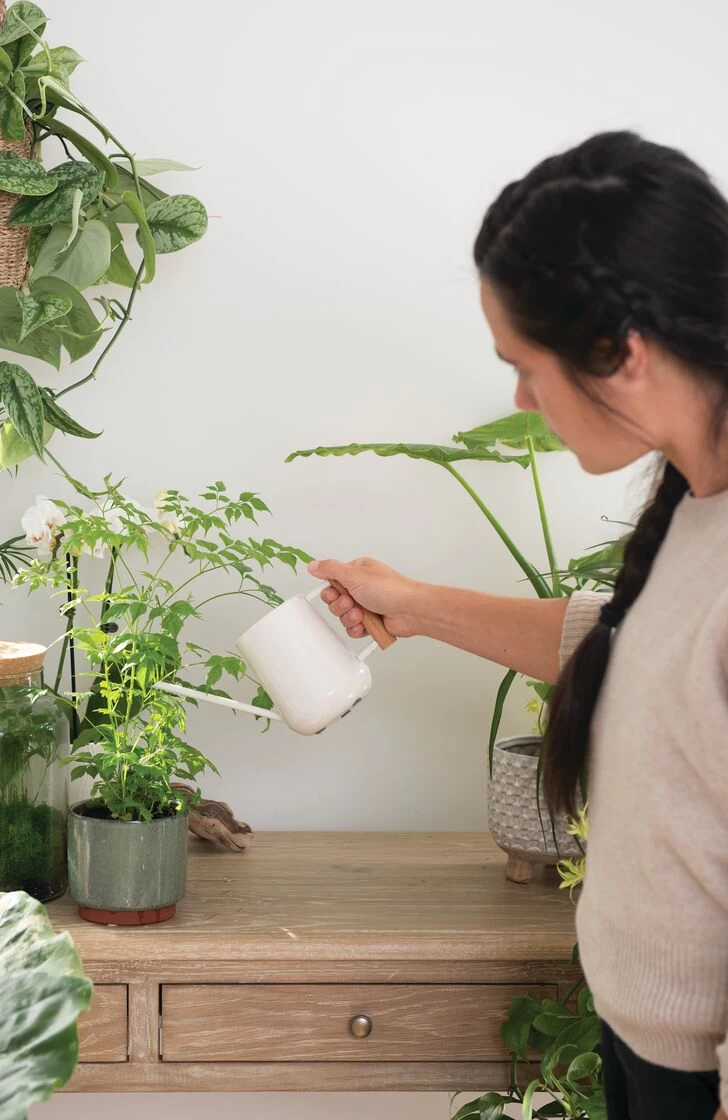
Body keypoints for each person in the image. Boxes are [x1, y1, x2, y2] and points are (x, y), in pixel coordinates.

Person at [308, 131, 728, 1120]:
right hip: (649, 1047)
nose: (519, 399)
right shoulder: (699, 492)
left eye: (524, 366)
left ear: (619, 351)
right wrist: (413, 605)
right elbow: (646, 655)